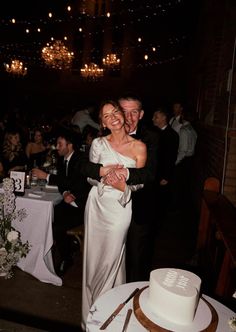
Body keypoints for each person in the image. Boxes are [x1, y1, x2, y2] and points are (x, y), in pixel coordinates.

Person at [81, 100, 147, 330]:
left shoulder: (139, 147)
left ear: (122, 114)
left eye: (115, 112)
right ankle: (96, 312)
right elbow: (89, 176)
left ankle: (103, 309)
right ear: (103, 123)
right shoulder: (98, 144)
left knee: (112, 257)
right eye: (106, 116)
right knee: (93, 258)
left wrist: (123, 186)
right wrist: (103, 174)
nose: (113, 117)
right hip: (97, 203)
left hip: (120, 206)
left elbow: (141, 183)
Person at [32, 128, 91, 275]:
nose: (57, 147)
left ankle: (66, 258)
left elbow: (73, 182)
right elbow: (64, 184)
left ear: (69, 145)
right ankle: (44, 253)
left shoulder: (80, 159)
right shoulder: (62, 159)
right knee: (47, 216)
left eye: (60, 144)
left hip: (81, 206)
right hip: (68, 202)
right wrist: (64, 193)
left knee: (57, 225)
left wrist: (46, 176)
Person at [152, 108, 179, 223]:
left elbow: (170, 158)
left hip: (162, 173)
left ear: (164, 118)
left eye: (156, 117)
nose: (153, 119)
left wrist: (166, 176)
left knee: (161, 199)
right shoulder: (155, 132)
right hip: (154, 171)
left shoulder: (172, 135)